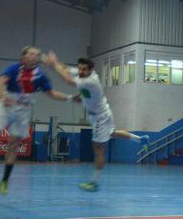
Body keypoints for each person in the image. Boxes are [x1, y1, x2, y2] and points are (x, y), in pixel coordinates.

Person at [0, 46, 74, 195]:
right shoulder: (14, 68)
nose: (35, 56)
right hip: (6, 104)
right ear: (23, 57)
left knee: (13, 145)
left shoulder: (40, 75)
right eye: (32, 53)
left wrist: (70, 98)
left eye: (37, 54)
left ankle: (4, 181)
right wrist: (2, 96)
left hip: (24, 109)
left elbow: (51, 93)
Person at [43, 52, 149, 191]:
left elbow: (67, 80)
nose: (80, 71)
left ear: (91, 70)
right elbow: (67, 69)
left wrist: (52, 65)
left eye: (84, 69)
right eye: (79, 68)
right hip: (101, 113)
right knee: (112, 133)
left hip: (100, 116)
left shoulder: (90, 81)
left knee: (98, 149)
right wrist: (57, 62)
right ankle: (140, 139)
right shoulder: (84, 74)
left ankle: (94, 182)